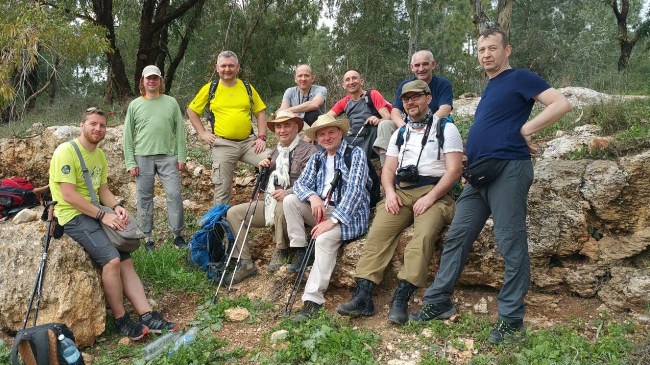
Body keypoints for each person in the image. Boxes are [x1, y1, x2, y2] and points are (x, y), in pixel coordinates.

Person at [409, 28, 572, 344]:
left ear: (506, 50)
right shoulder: (491, 86)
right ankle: (438, 301)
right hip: (478, 177)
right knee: (457, 237)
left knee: (510, 241)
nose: (486, 54)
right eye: (481, 49)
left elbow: (560, 104)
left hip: (510, 169)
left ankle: (511, 321)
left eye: (492, 48)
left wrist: (527, 127)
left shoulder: (520, 77)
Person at [336, 80, 463, 325]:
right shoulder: (400, 132)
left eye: (416, 97)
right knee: (378, 234)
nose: (411, 102)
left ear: (428, 98)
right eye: (406, 99)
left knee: (423, 236)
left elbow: (454, 170)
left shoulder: (445, 129)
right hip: (401, 192)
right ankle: (363, 295)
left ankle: (401, 297)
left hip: (434, 192)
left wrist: (431, 197)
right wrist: (390, 193)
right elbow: (388, 169)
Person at [49, 108, 179, 341]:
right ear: (82, 125)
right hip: (72, 216)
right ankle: (121, 320)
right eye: (93, 124)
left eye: (102, 125)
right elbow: (68, 195)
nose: (98, 129)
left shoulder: (98, 155)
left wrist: (117, 207)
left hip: (95, 212)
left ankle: (147, 315)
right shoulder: (66, 152)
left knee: (126, 260)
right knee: (111, 259)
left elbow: (103, 191)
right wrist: (102, 216)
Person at [283, 114, 371, 321]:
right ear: (316, 138)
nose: (327, 137)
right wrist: (313, 197)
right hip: (322, 209)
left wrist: (332, 221)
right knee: (290, 201)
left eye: (331, 132)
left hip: (349, 215)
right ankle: (300, 249)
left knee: (322, 239)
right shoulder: (318, 158)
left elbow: (356, 191)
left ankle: (312, 301)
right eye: (321, 134)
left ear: (340, 132)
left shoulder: (355, 154)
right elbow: (300, 185)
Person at [224, 110, 317, 284]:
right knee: (234, 213)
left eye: (287, 125)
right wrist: (263, 170)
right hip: (271, 203)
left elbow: (311, 183)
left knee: (285, 202)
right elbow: (264, 188)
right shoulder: (275, 152)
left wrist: (288, 192)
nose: (282, 130)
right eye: (279, 126)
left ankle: (281, 249)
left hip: (298, 204)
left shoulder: (309, 151)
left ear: (297, 127)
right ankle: (245, 262)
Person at [187, 50, 269, 205]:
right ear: (217, 67)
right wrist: (202, 133)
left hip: (248, 143)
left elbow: (261, 112)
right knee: (222, 189)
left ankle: (266, 204)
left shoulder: (247, 87)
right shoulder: (211, 88)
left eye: (231, 65)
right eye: (223, 66)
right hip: (223, 144)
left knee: (273, 161)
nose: (227, 69)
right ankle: (219, 226)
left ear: (238, 67)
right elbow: (192, 110)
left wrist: (261, 137)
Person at [123, 65, 187, 251]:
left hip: (169, 157)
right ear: (142, 81)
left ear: (160, 81)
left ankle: (177, 235)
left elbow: (180, 132)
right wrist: (130, 162)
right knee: (144, 198)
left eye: (155, 78)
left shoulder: (171, 102)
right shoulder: (135, 105)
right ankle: (147, 237)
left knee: (174, 195)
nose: (152, 81)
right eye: (148, 78)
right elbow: (127, 135)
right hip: (142, 157)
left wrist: (181, 157)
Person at [375, 50, 453, 165]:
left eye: (425, 64)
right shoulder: (405, 86)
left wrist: (426, 125)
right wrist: (405, 128)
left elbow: (445, 109)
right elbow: (395, 111)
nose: (421, 69)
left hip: (434, 125)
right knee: (385, 124)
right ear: (412, 67)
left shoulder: (443, 84)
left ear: (433, 64)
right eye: (417, 65)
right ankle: (387, 168)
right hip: (410, 125)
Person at [327, 69, 392, 160]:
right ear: (344, 85)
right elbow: (326, 118)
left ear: (361, 81)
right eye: (348, 80)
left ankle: (359, 160)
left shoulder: (373, 95)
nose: (351, 82)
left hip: (371, 136)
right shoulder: (344, 102)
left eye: (354, 78)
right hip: (353, 136)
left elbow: (387, 116)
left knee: (373, 128)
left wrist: (378, 120)